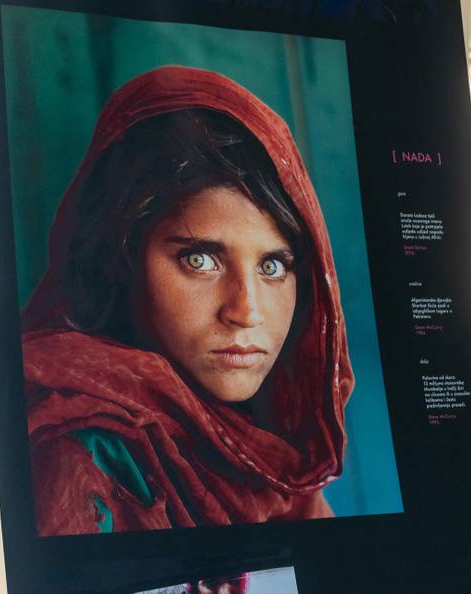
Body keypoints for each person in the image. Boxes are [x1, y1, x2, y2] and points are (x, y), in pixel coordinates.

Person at [21, 66, 354, 535]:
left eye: (273, 266)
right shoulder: (74, 457)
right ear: (120, 256)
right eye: (200, 260)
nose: (247, 312)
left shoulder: (275, 458)